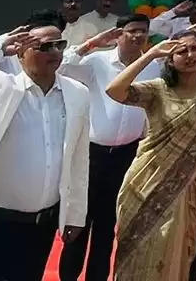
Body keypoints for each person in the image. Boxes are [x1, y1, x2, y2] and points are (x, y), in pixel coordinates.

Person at [0, 13, 93, 281]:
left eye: (59, 44)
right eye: (44, 46)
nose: (54, 52)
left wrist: (75, 213)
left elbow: (79, 159)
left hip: (42, 224)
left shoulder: (77, 93)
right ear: (20, 52)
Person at [107, 28, 196, 281]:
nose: (189, 55)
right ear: (169, 58)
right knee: (136, 253)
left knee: (175, 258)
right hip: (145, 184)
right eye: (181, 51)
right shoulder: (157, 90)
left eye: (195, 48)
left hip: (188, 187)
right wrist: (150, 54)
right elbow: (115, 90)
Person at [58, 15, 159, 281]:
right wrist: (91, 44)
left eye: (143, 31)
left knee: (107, 228)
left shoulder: (151, 67)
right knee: (79, 224)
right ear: (119, 34)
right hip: (92, 155)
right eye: (132, 31)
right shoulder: (96, 61)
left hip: (127, 155)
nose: (138, 36)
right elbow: (62, 67)